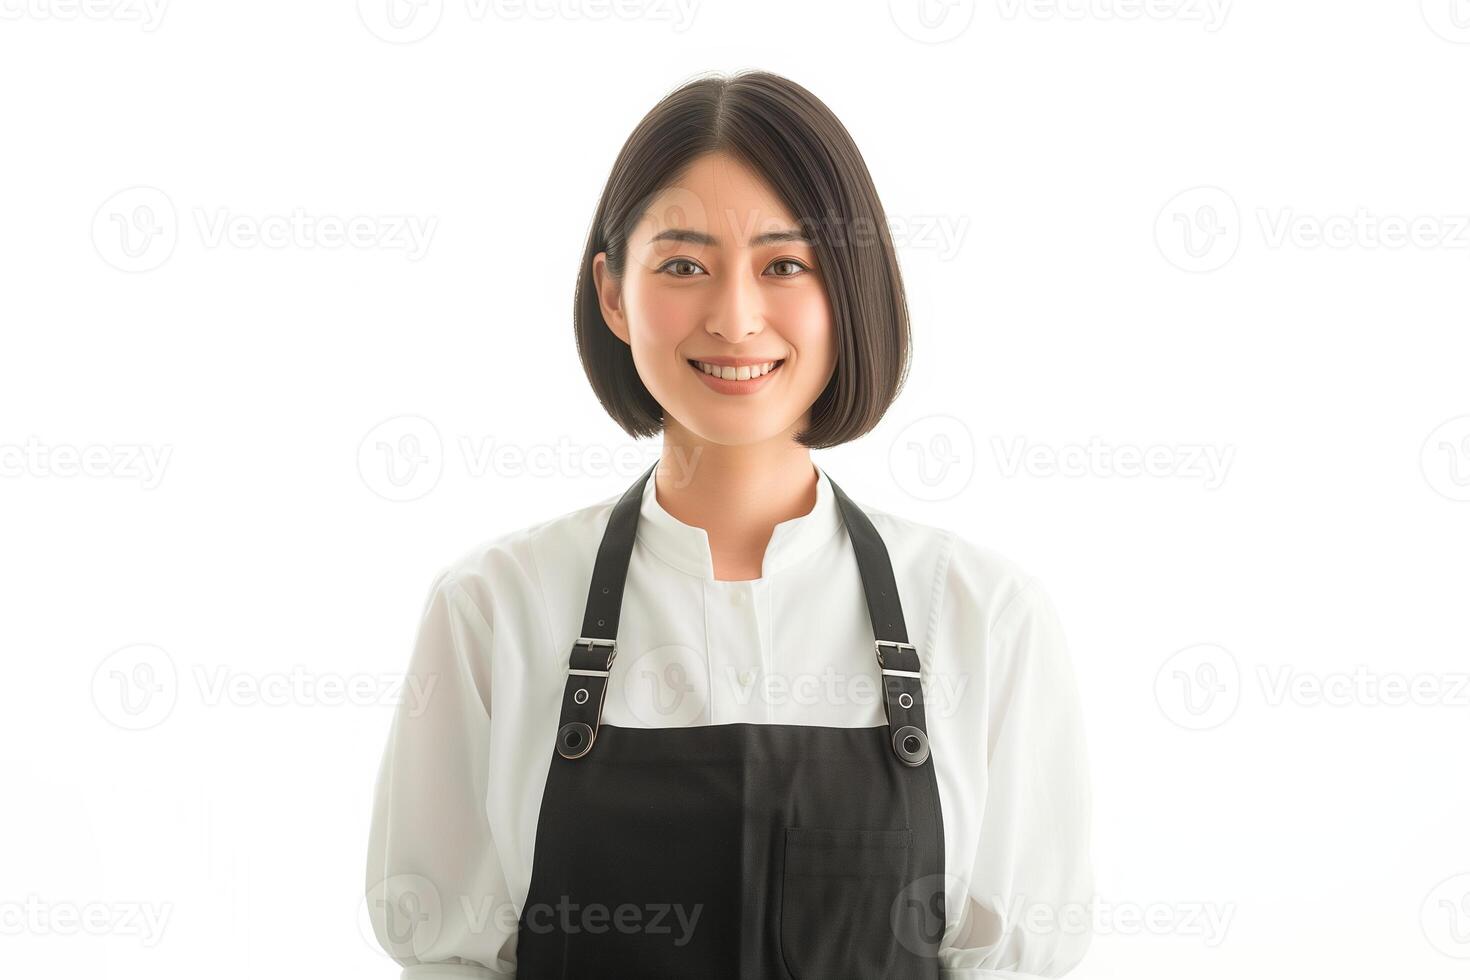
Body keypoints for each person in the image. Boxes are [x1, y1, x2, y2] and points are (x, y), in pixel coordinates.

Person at [365, 69, 1092, 979]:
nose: (736, 316)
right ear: (614, 294)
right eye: (682, 265)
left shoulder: (985, 616)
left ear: (848, 292)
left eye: (784, 265)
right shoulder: (491, 611)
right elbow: (448, 958)